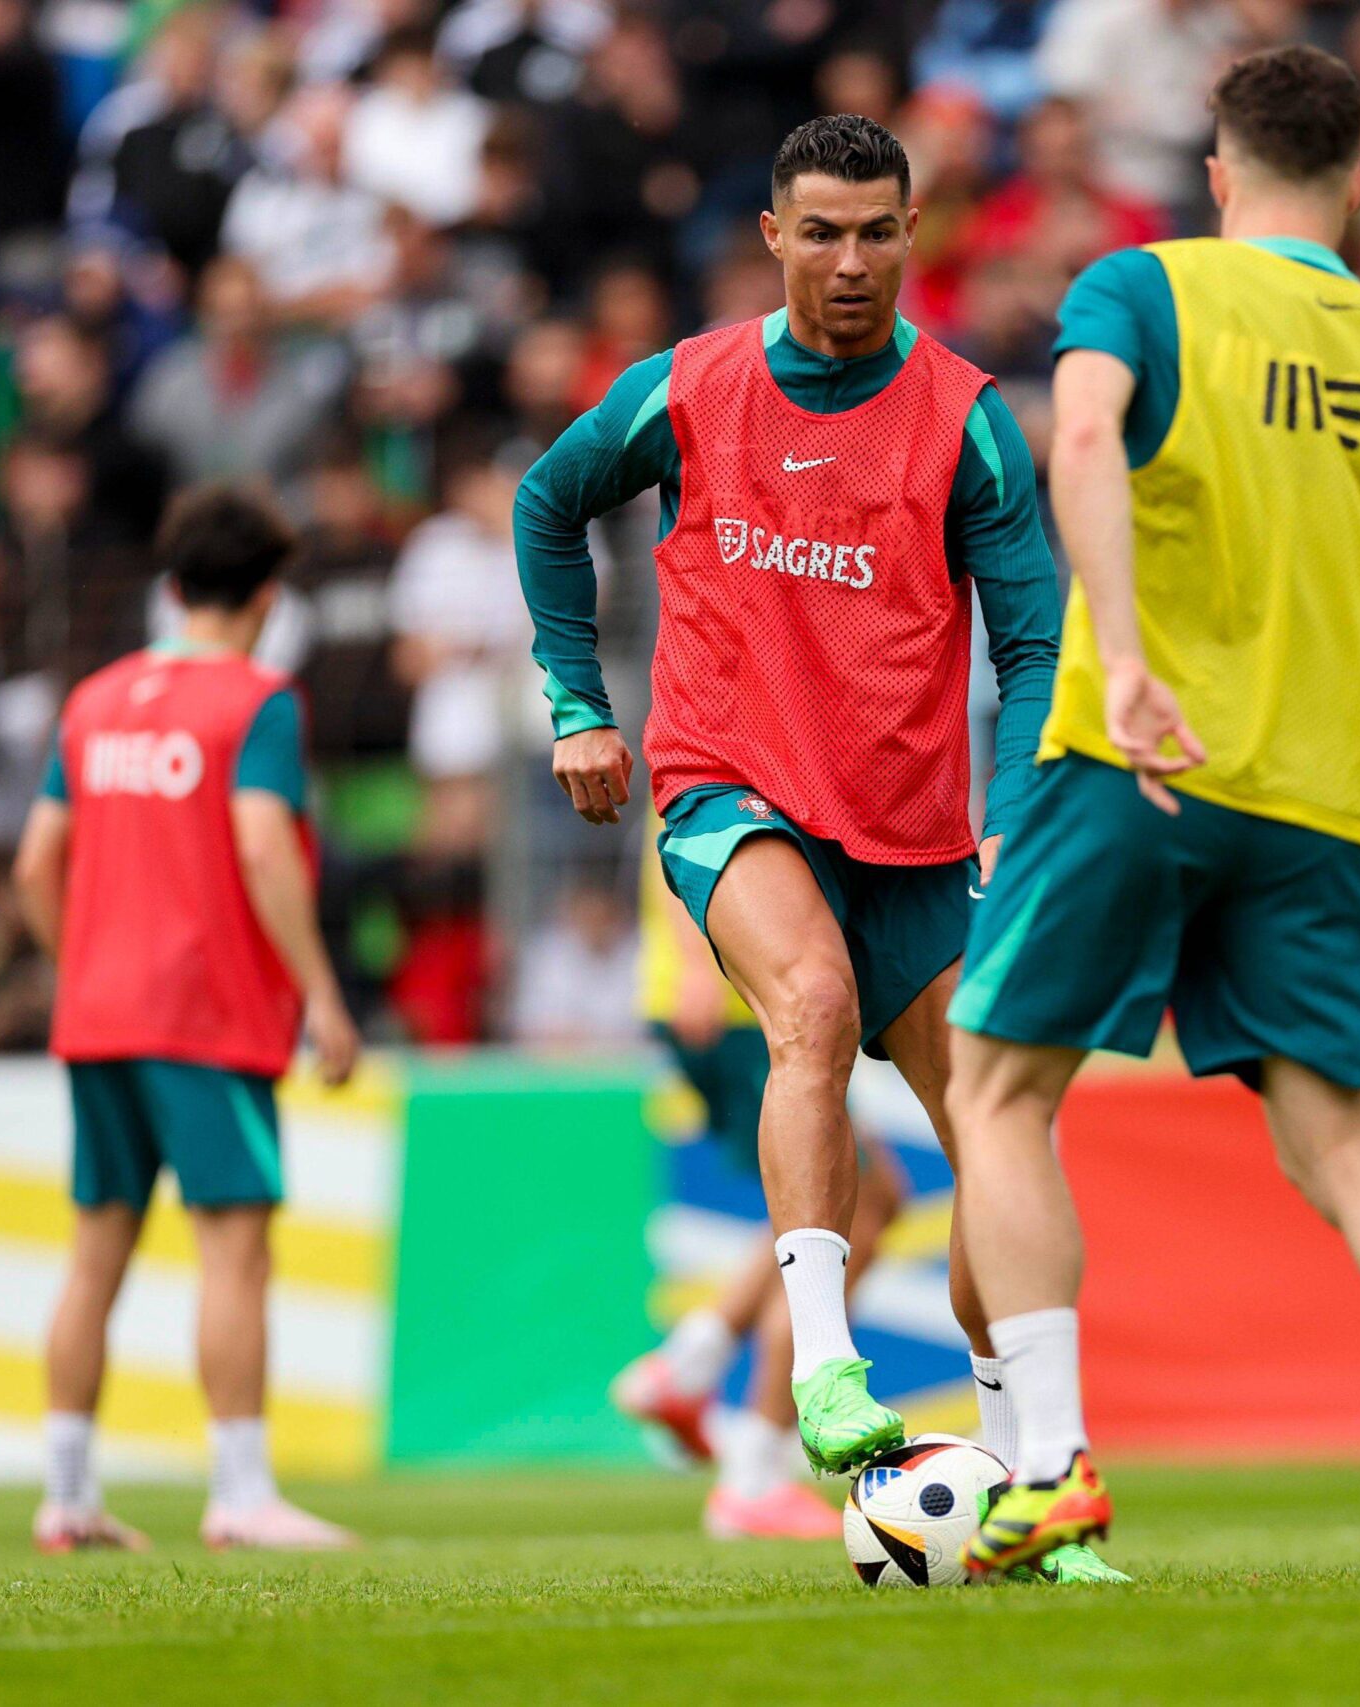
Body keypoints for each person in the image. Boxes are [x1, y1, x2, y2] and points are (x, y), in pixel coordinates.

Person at [946, 44, 1360, 1589]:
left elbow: (1076, 441)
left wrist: (1132, 655)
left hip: (1139, 757)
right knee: (1343, 1138)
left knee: (1000, 1089)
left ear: (1218, 174)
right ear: (1358, 180)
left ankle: (1053, 1465)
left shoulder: (1148, 289)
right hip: (1331, 806)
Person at [514, 114, 1112, 1582]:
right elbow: (547, 500)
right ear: (776, 237)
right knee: (816, 1013)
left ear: (915, 236)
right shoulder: (694, 386)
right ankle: (826, 1370)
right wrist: (578, 702)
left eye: (879, 231)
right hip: (732, 786)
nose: (851, 261)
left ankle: (1031, 1471)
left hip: (913, 829)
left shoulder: (966, 414)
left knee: (999, 1139)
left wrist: (1022, 807)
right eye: (823, 232)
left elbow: (1035, 636)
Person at [12, 485, 363, 1553]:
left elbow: (36, 862)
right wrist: (323, 996)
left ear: (171, 587)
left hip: (99, 1015)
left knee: (93, 1255)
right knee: (234, 1255)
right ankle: (241, 1494)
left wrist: (84, 967)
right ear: (264, 596)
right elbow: (262, 844)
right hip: (204, 1018)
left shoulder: (95, 699)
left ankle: (67, 1495)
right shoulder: (257, 702)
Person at [610, 846, 902, 1540]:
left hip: (761, 988)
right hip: (744, 996)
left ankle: (693, 1360)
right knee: (841, 1204)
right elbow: (682, 827)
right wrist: (691, 963)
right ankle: (757, 1464)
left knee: (865, 1194)